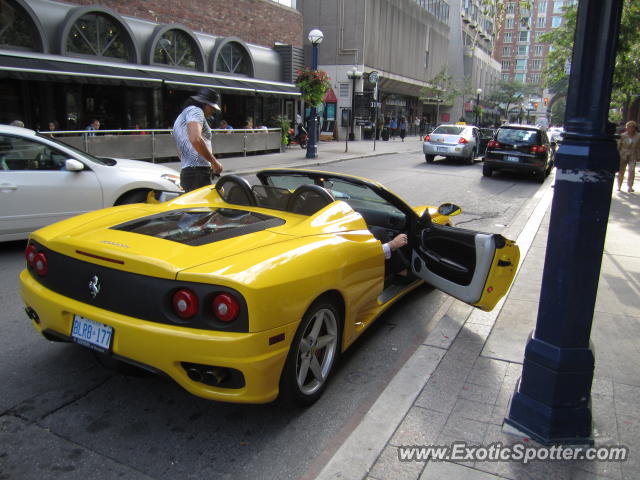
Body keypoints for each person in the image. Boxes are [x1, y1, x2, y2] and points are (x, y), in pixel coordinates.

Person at [172, 88, 224, 193]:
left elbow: (179, 152)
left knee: (193, 208)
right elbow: (195, 138)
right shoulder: (196, 111)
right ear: (204, 103)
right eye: (212, 107)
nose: (213, 111)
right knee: (202, 208)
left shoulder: (181, 116)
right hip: (198, 173)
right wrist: (214, 163)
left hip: (188, 172)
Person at [617, 120, 640, 193]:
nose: (631, 128)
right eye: (629, 127)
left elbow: (639, 146)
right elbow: (619, 146)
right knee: (621, 171)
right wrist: (617, 155)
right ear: (626, 128)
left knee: (631, 170)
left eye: (633, 127)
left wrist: (639, 156)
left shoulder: (638, 136)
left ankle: (630, 186)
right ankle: (619, 186)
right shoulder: (623, 135)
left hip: (633, 154)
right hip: (623, 154)